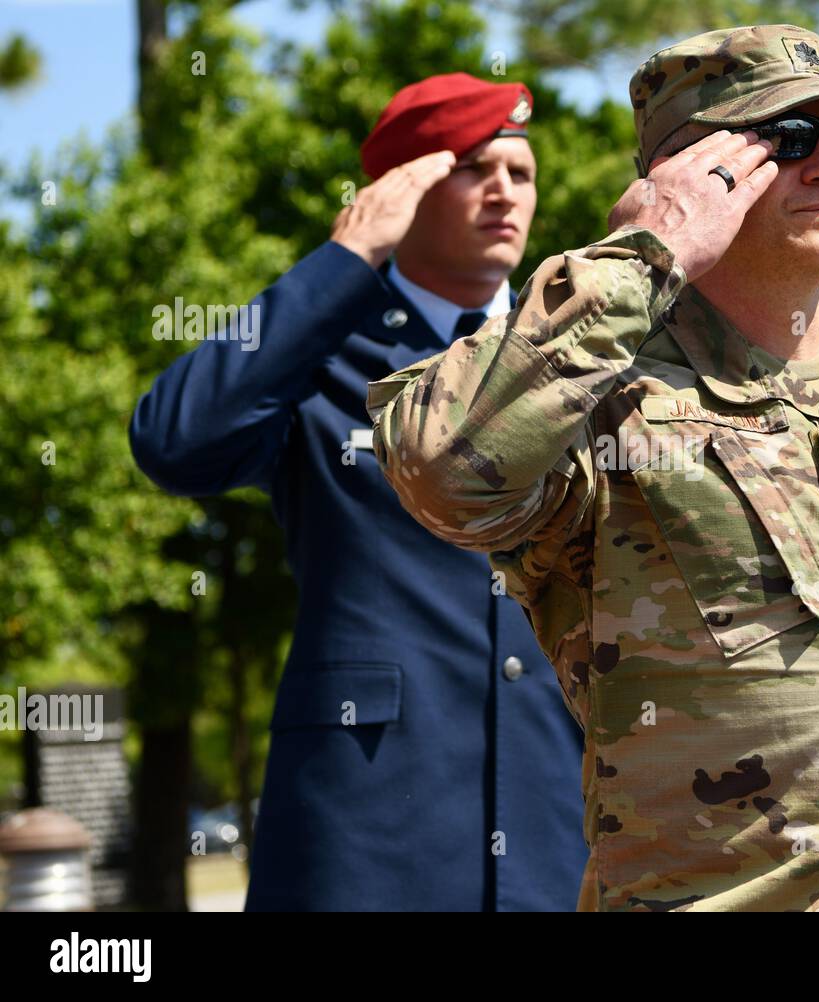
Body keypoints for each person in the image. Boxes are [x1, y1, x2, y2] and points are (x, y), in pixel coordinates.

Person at [369, 26, 819, 912]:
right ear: (689, 169)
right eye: (788, 139)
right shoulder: (600, 394)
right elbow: (440, 473)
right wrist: (647, 251)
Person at [129, 73, 586, 911]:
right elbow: (174, 442)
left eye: (521, 174)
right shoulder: (319, 355)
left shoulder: (574, 355)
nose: (504, 191)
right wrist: (345, 260)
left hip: (561, 827)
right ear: (400, 190)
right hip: (368, 836)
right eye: (473, 167)